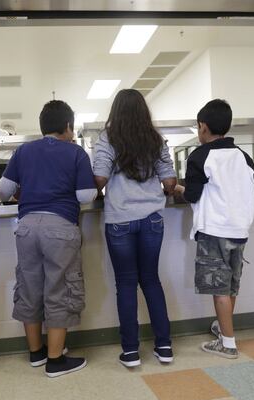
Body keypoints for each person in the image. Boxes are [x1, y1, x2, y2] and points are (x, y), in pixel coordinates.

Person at [0, 100, 97, 377]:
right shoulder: (76, 153)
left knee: (29, 288)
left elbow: (3, 192)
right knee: (59, 289)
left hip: (26, 227)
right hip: (60, 226)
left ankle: (36, 353)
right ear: (68, 126)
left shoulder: (23, 151)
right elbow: (85, 196)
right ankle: (56, 360)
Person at [93, 89, 176, 368]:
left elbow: (99, 179)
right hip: (152, 218)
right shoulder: (154, 139)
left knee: (126, 284)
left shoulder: (107, 138)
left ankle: (130, 351)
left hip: (120, 220)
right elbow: (170, 182)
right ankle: (164, 346)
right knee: (151, 280)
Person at [176, 99, 254, 359]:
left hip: (214, 231)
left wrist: (177, 189)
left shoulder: (200, 156)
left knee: (219, 289)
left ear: (203, 127)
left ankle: (228, 343)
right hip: (239, 231)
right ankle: (224, 329)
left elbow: (191, 194)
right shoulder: (244, 157)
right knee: (231, 286)